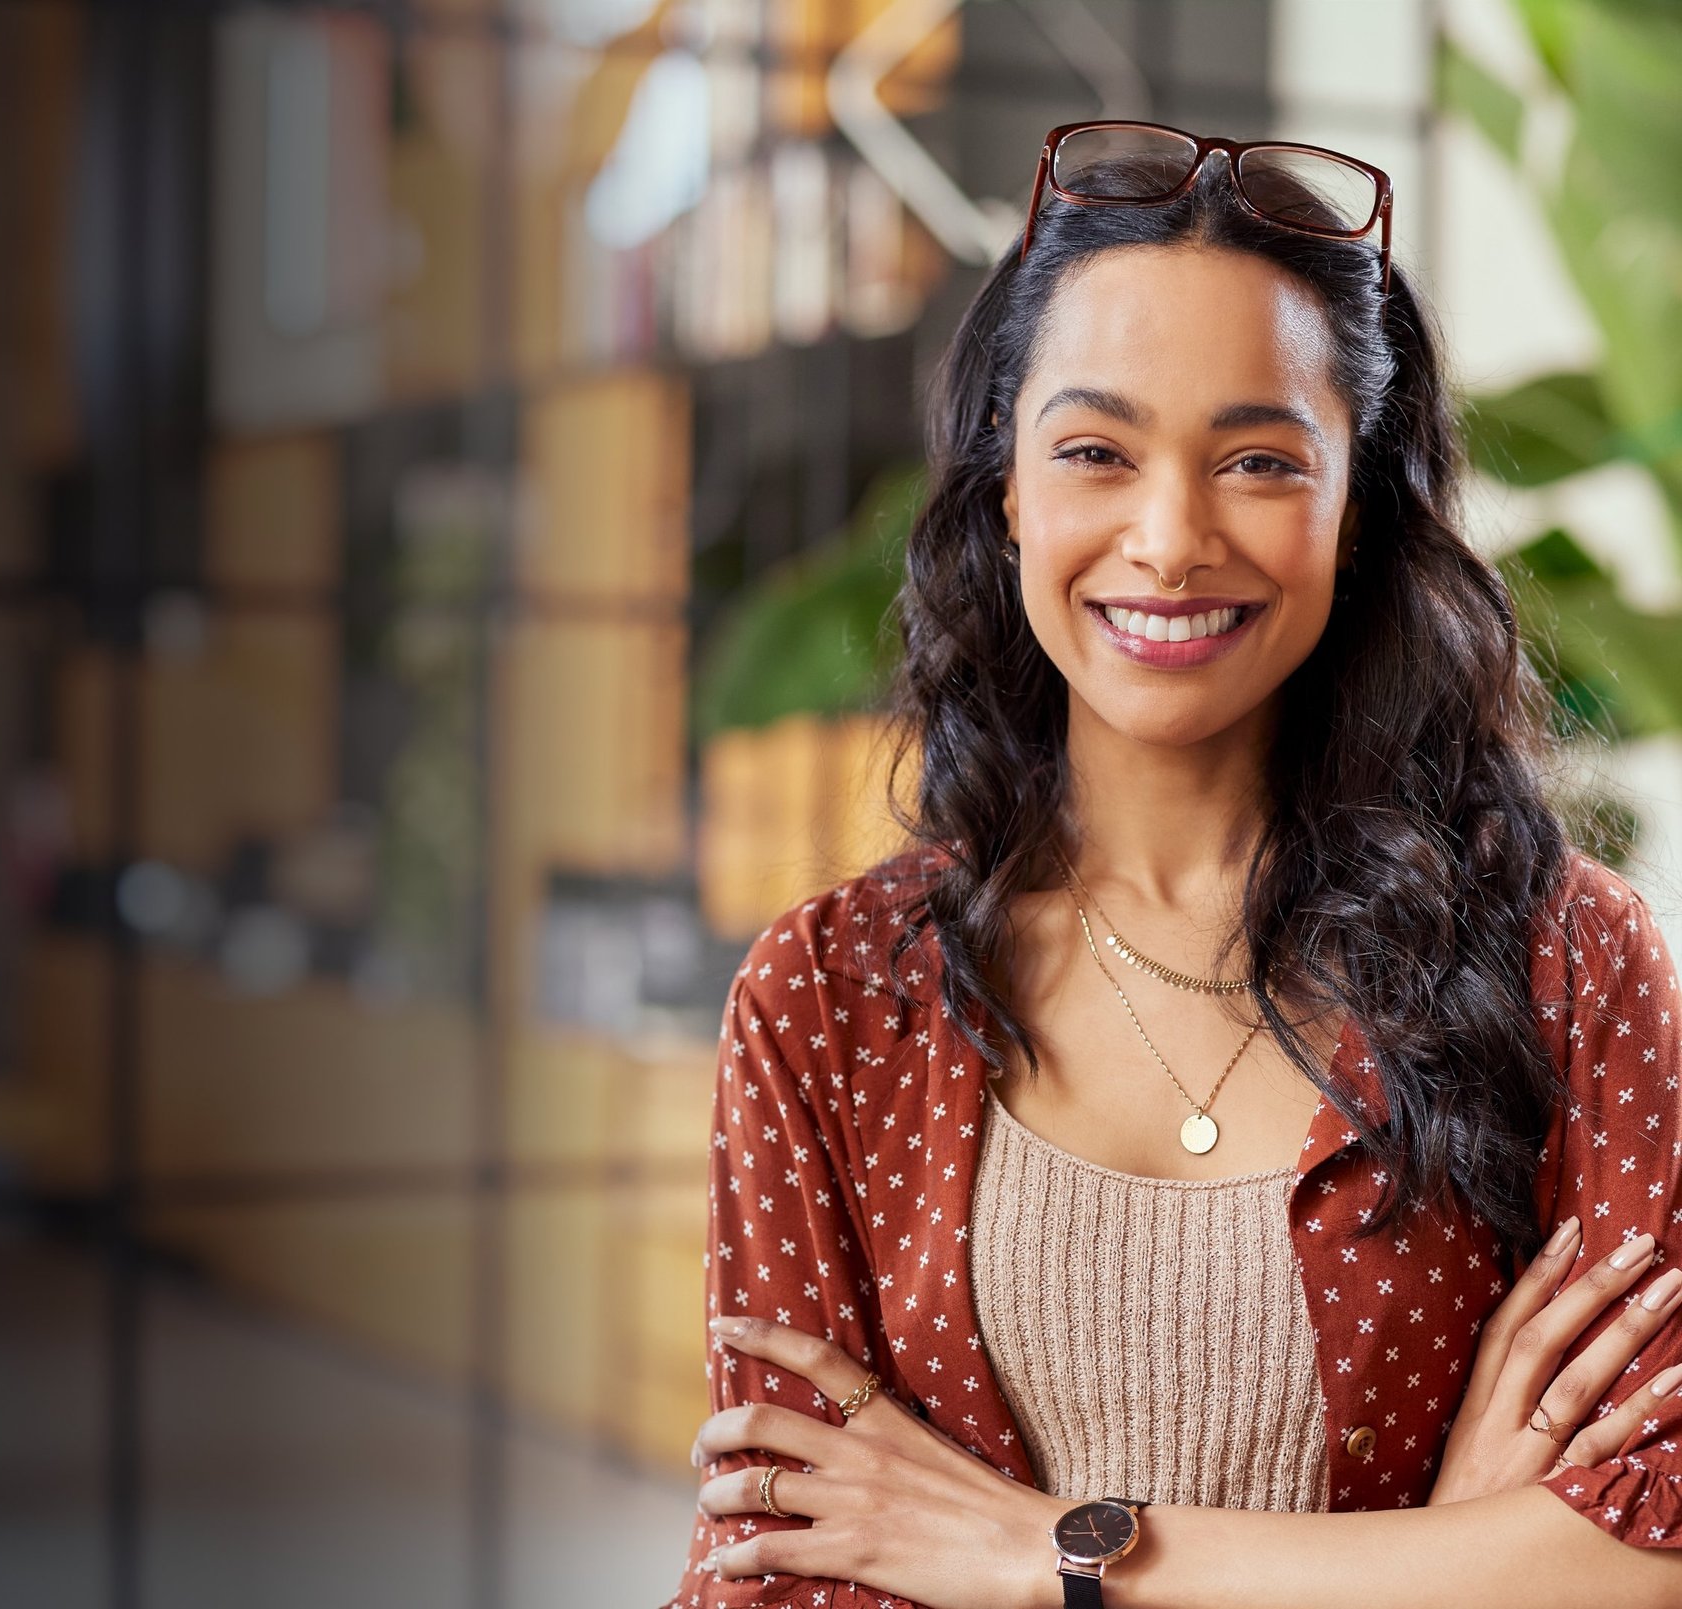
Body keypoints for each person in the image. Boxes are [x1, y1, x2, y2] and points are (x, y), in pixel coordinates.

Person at [660, 122, 1682, 1608]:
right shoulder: (828, 1002)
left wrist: (1048, 1550)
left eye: (1260, 459)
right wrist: (1445, 1563)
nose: (1170, 536)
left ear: (1359, 502)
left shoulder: (1563, 961)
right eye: (1095, 450)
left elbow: (1652, 1546)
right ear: (1006, 488)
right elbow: (783, 1572)